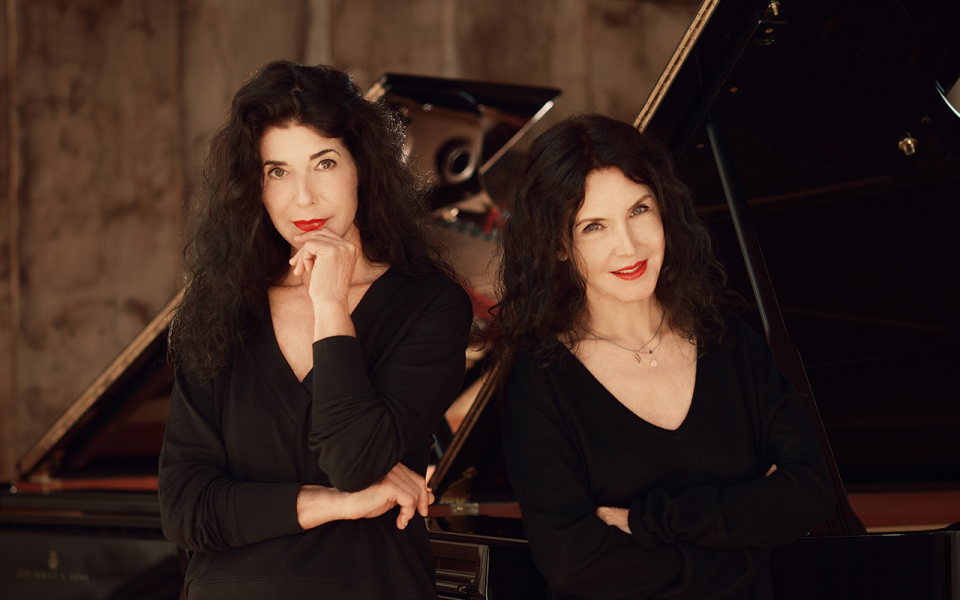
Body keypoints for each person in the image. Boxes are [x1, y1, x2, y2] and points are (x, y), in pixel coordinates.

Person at [158, 61, 473, 599]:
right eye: (276, 171)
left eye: (323, 162)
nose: (301, 197)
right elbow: (185, 509)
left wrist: (330, 303)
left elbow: (354, 460)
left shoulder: (429, 306)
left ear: (362, 168)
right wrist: (337, 505)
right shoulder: (221, 307)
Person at [495, 114, 833, 599]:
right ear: (559, 247)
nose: (628, 246)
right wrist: (742, 547)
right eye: (594, 227)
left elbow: (809, 491)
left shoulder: (729, 342)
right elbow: (572, 563)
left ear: (664, 210)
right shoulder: (542, 380)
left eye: (639, 210)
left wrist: (650, 522)